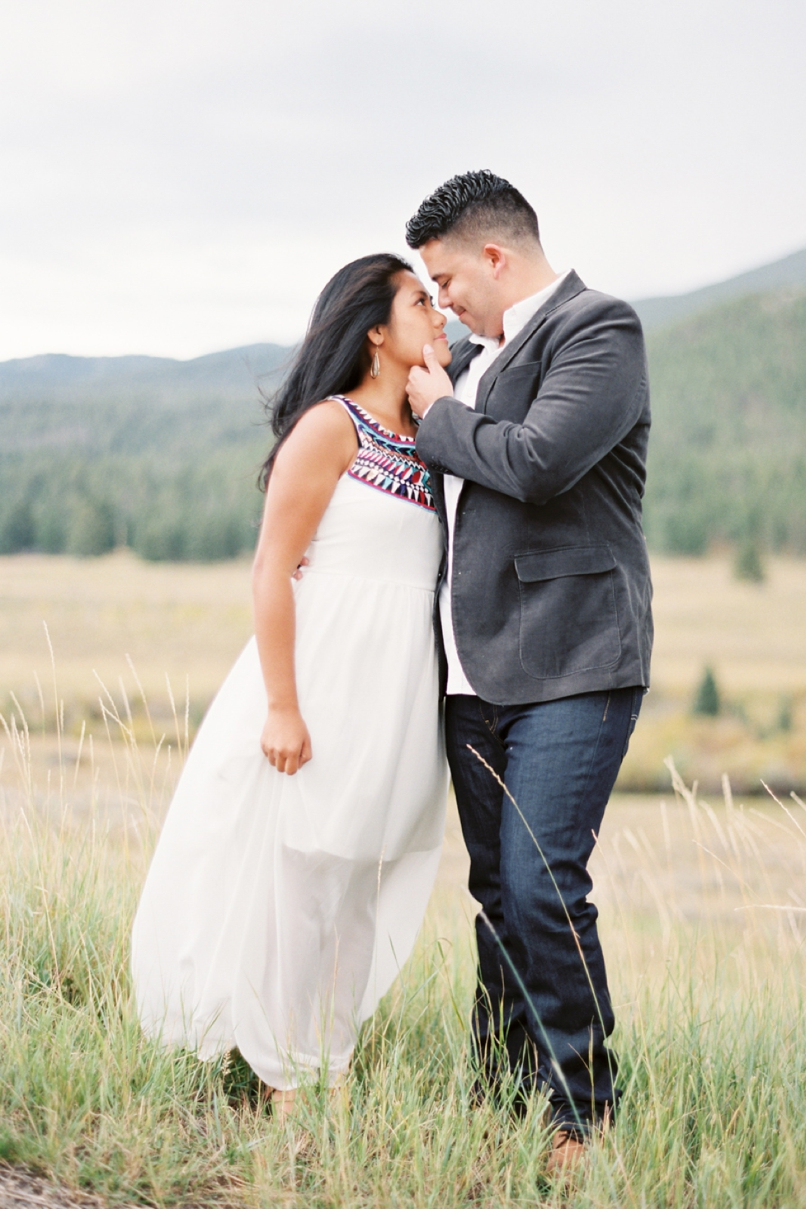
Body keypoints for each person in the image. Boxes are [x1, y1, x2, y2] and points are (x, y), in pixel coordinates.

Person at [131, 253, 451, 1115]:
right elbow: (273, 569)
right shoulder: (330, 426)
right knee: (303, 873)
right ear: (376, 332)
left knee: (359, 874)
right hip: (323, 676)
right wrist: (281, 704)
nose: (441, 314)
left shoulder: (435, 432)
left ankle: (325, 1060)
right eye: (422, 302)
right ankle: (286, 1082)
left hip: (400, 688)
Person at [404, 171, 653, 1170]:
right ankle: (499, 1096)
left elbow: (543, 460)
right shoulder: (462, 361)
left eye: (447, 277)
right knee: (499, 896)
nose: (443, 300)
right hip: (473, 675)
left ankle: (582, 1117)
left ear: (496, 257)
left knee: (545, 885)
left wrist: (435, 411)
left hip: (574, 661)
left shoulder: (600, 330)